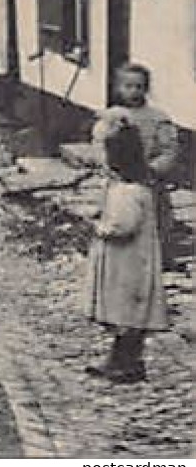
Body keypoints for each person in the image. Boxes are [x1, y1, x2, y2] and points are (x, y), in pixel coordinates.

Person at [84, 125, 168, 383]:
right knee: (129, 312)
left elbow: (124, 226)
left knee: (127, 311)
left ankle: (127, 363)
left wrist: (100, 228)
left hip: (129, 262)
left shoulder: (129, 192)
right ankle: (123, 360)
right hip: (132, 260)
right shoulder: (130, 186)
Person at [92, 64, 185, 270]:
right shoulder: (111, 117)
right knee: (120, 221)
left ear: (146, 89)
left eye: (139, 86)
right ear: (118, 88)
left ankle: (156, 263)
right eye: (128, 86)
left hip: (149, 182)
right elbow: (99, 145)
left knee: (154, 223)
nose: (133, 91)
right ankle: (120, 264)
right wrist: (108, 166)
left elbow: (169, 150)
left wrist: (152, 170)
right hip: (119, 182)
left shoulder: (158, 118)